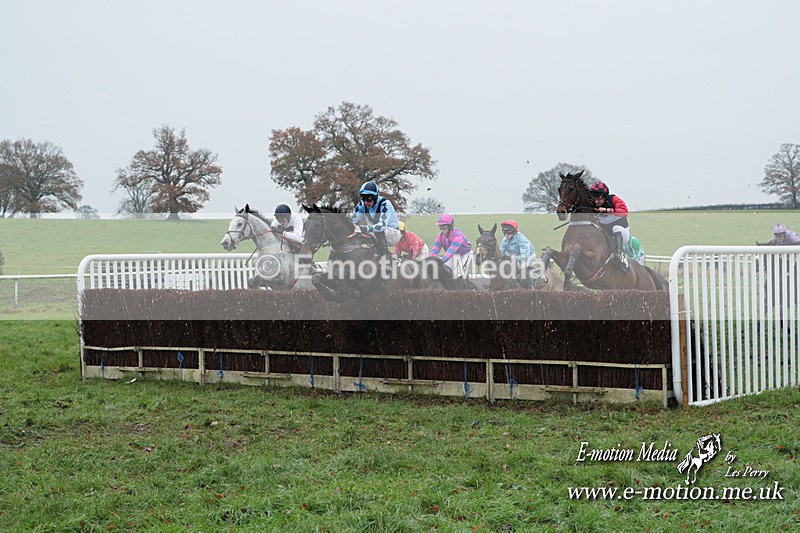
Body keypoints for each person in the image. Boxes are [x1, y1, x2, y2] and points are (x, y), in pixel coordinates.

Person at [350, 181, 401, 257]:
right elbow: (351, 220)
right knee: (359, 234)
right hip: (376, 233)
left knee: (377, 231)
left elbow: (382, 226)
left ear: (376, 197)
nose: (367, 201)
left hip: (393, 234)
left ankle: (385, 257)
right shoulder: (362, 204)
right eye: (364, 198)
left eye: (369, 198)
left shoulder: (385, 204)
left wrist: (362, 228)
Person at [589, 181, 631, 269]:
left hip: (622, 233)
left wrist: (606, 210)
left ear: (604, 196)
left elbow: (625, 212)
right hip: (606, 234)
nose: (596, 201)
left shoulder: (613, 199)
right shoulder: (593, 203)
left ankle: (619, 254)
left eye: (599, 198)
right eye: (595, 199)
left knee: (616, 228)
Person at [429, 214, 473, 279]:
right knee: (445, 271)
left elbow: (450, 251)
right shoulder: (440, 236)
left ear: (450, 226)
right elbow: (435, 249)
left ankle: (465, 284)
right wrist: (429, 260)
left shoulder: (458, 236)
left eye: (444, 227)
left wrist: (441, 261)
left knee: (458, 274)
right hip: (454, 255)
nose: (442, 230)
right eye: (440, 227)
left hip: (466, 254)